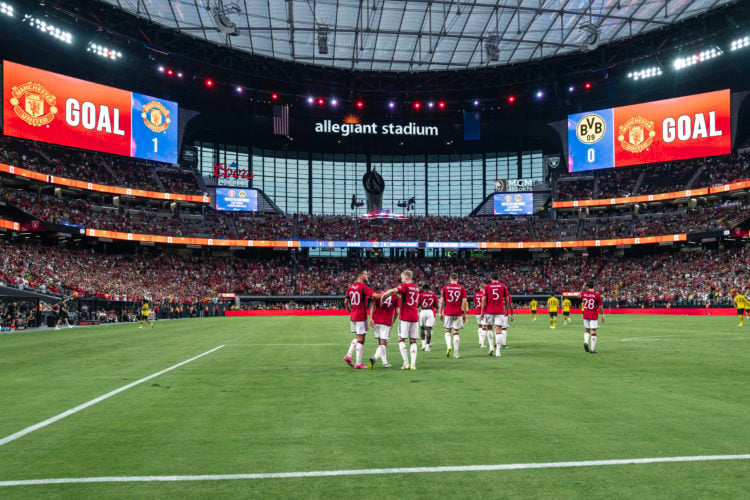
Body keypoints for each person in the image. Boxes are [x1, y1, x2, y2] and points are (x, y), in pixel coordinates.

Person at [383, 270, 421, 370]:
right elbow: (407, 298)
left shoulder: (405, 286)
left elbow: (393, 290)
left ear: (406, 278)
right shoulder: (416, 288)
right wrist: (398, 296)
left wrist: (385, 294)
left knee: (401, 339)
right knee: (413, 341)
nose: (401, 280)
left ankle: (406, 363)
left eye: (402, 278)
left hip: (405, 317)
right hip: (414, 316)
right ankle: (413, 364)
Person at [344, 270, 380, 369]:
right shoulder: (363, 287)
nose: (367, 276)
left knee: (358, 337)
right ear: (360, 276)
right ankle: (358, 363)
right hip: (360, 316)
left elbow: (346, 302)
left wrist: (350, 311)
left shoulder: (350, 287)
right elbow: (375, 295)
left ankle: (349, 355)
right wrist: (386, 294)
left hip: (353, 316)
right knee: (361, 339)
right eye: (365, 274)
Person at [481, 273, 513, 357]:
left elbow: (484, 299)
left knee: (489, 328)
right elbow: (507, 298)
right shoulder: (503, 286)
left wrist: (482, 312)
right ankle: (498, 351)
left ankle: (491, 346)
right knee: (499, 330)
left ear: (491, 279)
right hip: (500, 311)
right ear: (498, 278)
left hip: (489, 310)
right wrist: (506, 308)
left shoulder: (487, 287)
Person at [438, 273, 468, 359]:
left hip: (448, 312)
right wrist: (465, 314)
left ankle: (448, 346)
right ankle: (456, 353)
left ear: (450, 279)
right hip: (458, 312)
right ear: (457, 279)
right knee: (456, 332)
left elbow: (442, 301)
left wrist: (440, 313)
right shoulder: (462, 288)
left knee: (447, 330)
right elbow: (464, 302)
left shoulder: (445, 288)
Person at [368, 289, 400, 369]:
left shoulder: (378, 293)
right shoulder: (395, 296)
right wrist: (393, 322)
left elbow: (372, 305)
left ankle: (385, 363)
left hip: (376, 320)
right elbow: (397, 311)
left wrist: (371, 318)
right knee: (384, 344)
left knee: (380, 343)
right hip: (386, 321)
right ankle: (374, 357)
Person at [581, 282, 605, 353]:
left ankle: (586, 342)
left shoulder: (584, 294)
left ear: (587, 287)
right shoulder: (596, 295)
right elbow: (600, 306)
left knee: (587, 330)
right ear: (594, 286)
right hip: (593, 315)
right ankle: (592, 349)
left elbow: (579, 295)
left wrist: (583, 287)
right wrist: (602, 314)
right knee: (593, 331)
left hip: (585, 314)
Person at [418, 284, 438, 351]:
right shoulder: (433, 295)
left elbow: (418, 305)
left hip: (423, 311)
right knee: (429, 328)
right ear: (429, 289)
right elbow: (436, 306)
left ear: (423, 289)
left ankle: (423, 345)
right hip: (430, 311)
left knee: (422, 328)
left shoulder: (420, 295)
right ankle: (427, 347)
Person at [473, 283, 488, 348]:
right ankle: (482, 344)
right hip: (484, 312)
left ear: (480, 287)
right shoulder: (486, 294)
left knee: (479, 327)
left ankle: (480, 342)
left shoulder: (476, 294)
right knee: (484, 327)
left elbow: (474, 303)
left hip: (477, 312)